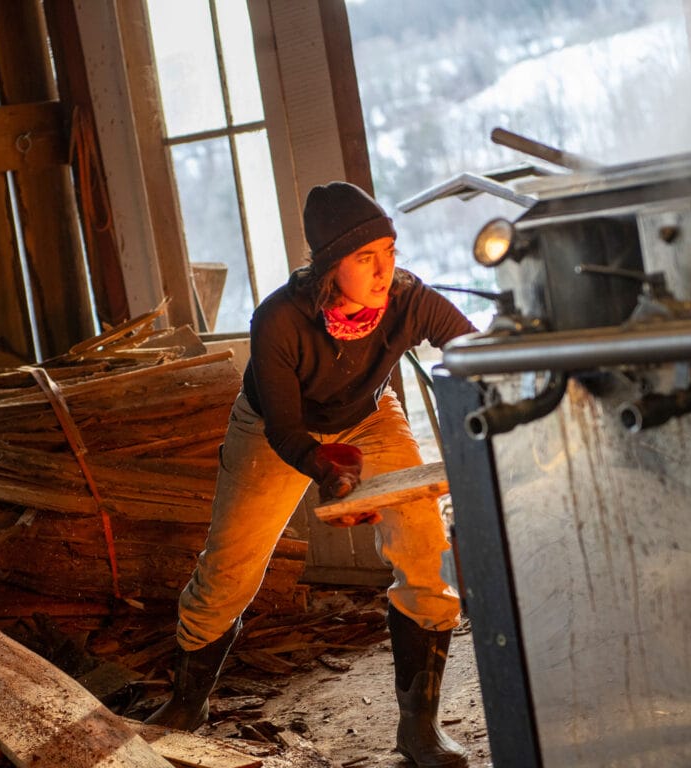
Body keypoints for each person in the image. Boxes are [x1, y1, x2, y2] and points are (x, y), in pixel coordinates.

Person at [147, 181, 476, 768]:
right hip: (276, 428)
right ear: (329, 266)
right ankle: (185, 703)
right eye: (364, 258)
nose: (384, 270)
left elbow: (471, 351)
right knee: (228, 569)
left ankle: (419, 727)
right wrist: (327, 469)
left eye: (390, 251)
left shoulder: (405, 297)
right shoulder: (279, 320)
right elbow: (285, 430)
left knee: (425, 550)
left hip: (369, 416)